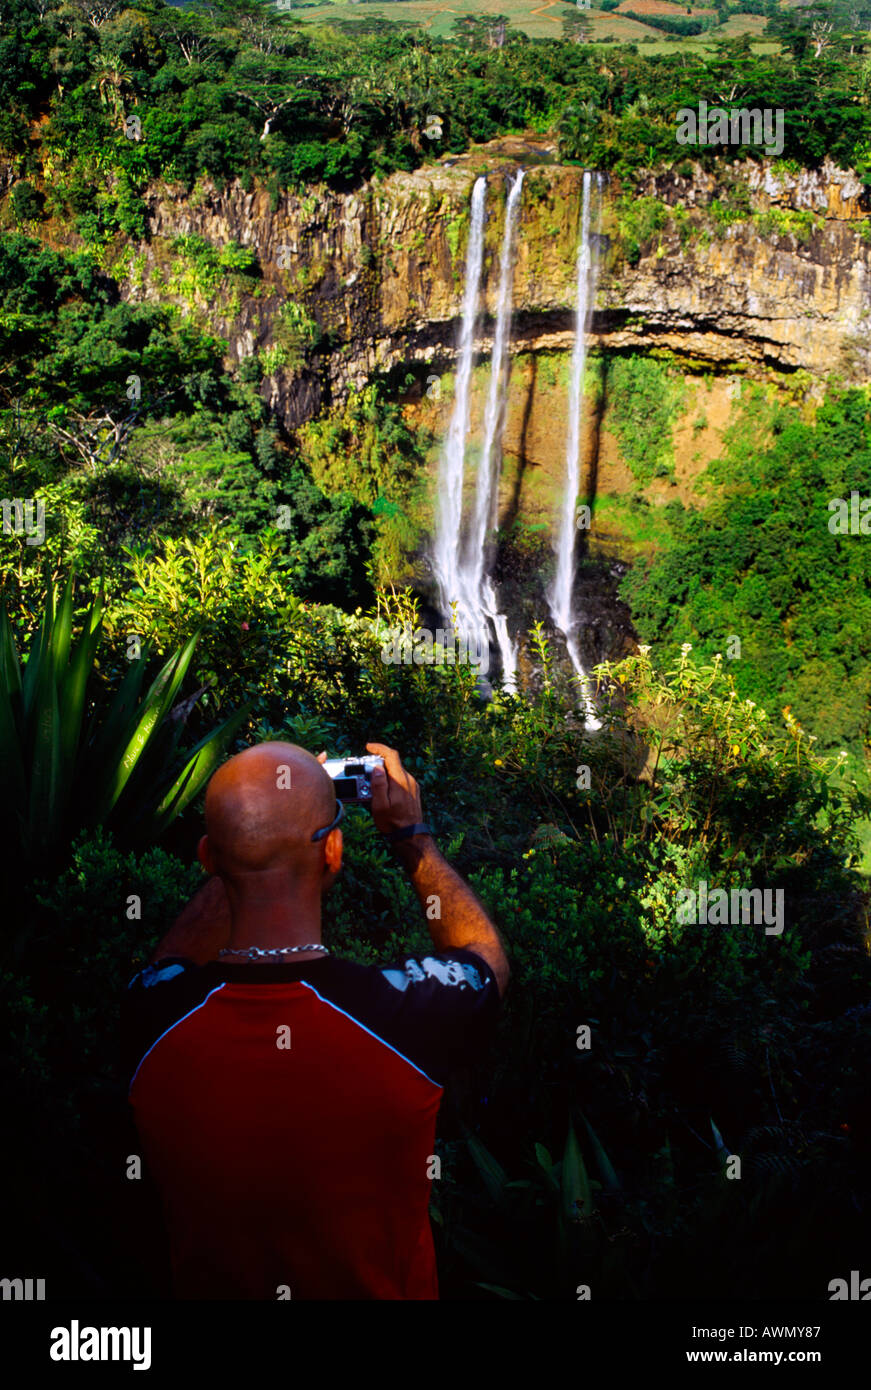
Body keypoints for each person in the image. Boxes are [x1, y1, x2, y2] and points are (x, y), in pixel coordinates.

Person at [121, 740, 509, 1300]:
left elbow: (167, 963)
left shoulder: (149, 1015)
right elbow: (485, 955)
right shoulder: (404, 1017)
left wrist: (251, 842)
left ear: (208, 858)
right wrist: (411, 835)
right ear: (333, 853)